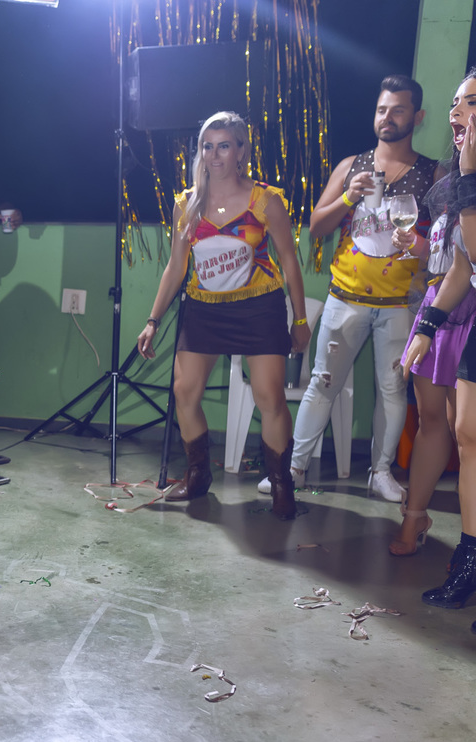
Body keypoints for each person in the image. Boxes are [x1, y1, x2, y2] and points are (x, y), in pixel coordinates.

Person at [260, 75, 437, 503]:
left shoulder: (433, 174)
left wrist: (417, 244)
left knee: (392, 389)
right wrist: (348, 199)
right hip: (346, 297)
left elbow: (448, 244)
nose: (387, 117)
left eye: (398, 110)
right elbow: (317, 227)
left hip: (401, 303)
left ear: (417, 117)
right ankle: (294, 468)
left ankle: (381, 472)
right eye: (381, 109)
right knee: (322, 383)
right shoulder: (352, 166)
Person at [137, 111, 310, 520]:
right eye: (208, 147)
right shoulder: (187, 204)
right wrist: (152, 320)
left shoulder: (265, 201)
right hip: (204, 309)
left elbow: (289, 260)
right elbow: (176, 267)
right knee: (184, 391)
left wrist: (300, 320)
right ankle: (198, 473)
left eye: (224, 146)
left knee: (269, 396)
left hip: (258, 307)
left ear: (241, 152)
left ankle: (281, 483)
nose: (215, 155)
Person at [389, 70, 476, 556]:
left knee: (468, 434)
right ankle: (415, 517)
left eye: (470, 103)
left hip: (470, 312)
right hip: (441, 304)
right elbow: (453, 257)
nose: (456, 112)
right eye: (455, 103)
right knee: (433, 421)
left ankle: (468, 547)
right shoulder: (450, 183)